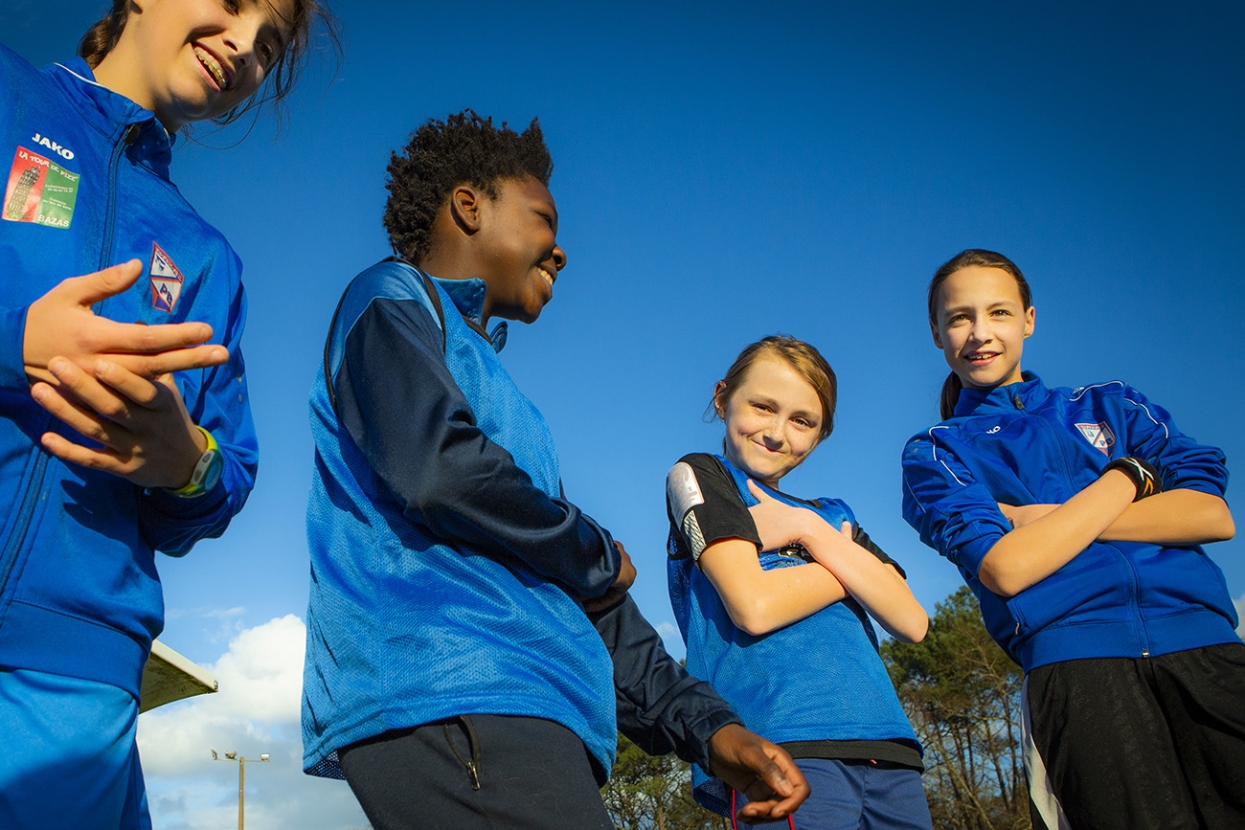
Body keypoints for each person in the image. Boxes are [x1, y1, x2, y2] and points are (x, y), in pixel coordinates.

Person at [302, 111, 810, 830]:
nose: (562, 249)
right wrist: (593, 549)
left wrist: (707, 728)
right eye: (542, 218)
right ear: (468, 207)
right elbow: (438, 474)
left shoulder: (501, 396)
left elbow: (584, 591)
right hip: (457, 689)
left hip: (532, 708)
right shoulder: (391, 297)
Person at [0, 1, 336, 826]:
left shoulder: (205, 254)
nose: (243, 46)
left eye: (269, 44)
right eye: (231, 3)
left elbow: (229, 470)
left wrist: (185, 464)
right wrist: (18, 342)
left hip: (76, 670)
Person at [901, 249, 1245, 829]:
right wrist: (1129, 478)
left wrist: (1045, 519)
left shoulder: (1113, 405)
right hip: (1079, 673)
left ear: (1029, 320)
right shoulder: (936, 451)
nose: (980, 333)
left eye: (999, 313)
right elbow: (1007, 568)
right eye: (959, 317)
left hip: (1207, 649)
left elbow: (1211, 515)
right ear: (936, 331)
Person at [666, 335, 932, 829]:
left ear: (821, 434)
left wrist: (807, 530)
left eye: (802, 421)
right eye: (762, 407)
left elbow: (912, 619)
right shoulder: (704, 476)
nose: (777, 432)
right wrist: (850, 569)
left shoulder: (830, 515)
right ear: (723, 397)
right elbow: (754, 606)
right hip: (784, 744)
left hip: (890, 747)